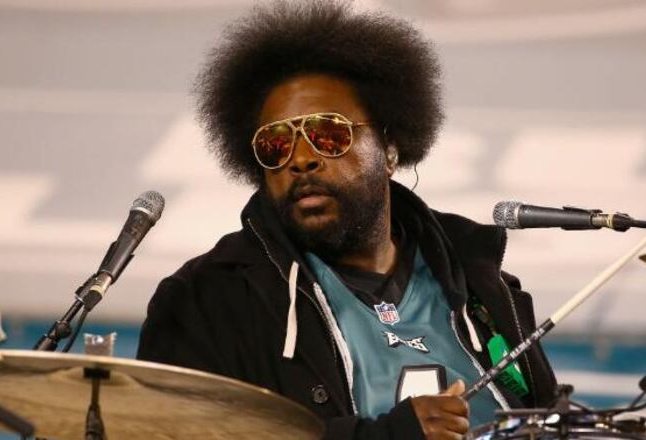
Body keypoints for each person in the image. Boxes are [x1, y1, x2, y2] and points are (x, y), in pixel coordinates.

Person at [137, 1, 557, 438]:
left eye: (328, 135)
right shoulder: (204, 301)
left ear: (389, 149)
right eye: (276, 145)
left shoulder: (484, 284)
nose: (301, 159)